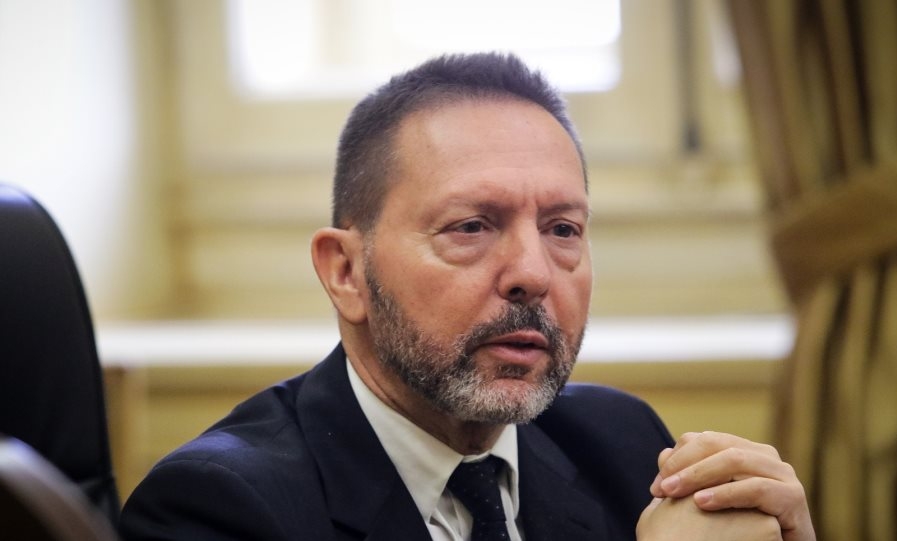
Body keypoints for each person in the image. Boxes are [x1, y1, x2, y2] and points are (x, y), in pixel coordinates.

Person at [119, 52, 815, 541]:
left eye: (562, 229)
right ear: (346, 272)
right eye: (471, 227)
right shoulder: (219, 506)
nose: (532, 273)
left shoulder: (621, 444)